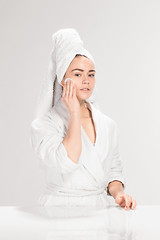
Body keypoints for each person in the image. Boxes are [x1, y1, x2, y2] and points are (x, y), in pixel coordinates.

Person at [30, 28, 136, 210]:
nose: (86, 80)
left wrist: (119, 195)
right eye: (78, 74)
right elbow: (67, 162)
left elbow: (113, 171)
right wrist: (74, 113)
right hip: (58, 212)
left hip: (98, 211)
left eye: (91, 74)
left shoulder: (107, 124)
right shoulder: (45, 124)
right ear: (63, 79)